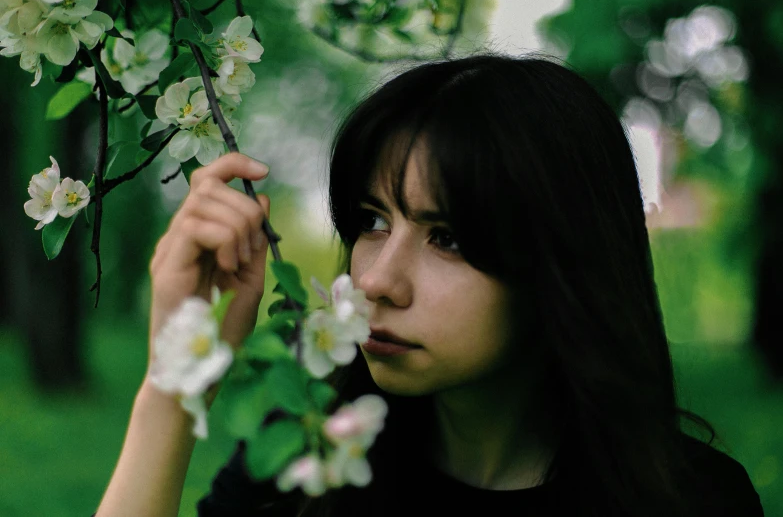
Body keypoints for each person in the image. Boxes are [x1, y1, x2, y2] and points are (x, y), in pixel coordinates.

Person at [94, 54, 764, 517]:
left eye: (446, 237)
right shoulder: (313, 457)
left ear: (559, 265)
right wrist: (174, 380)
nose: (377, 281)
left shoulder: (692, 502)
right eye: (371, 221)